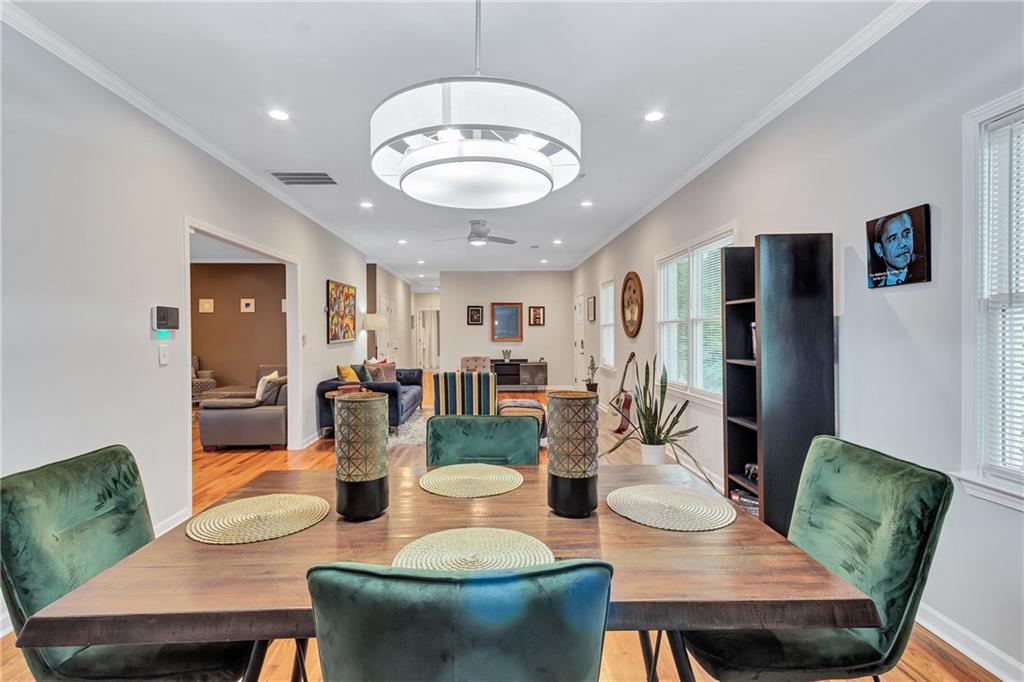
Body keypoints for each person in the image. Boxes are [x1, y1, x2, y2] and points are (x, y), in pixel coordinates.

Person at [869, 211, 927, 287]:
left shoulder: (924, 268)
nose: (902, 244)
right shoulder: (879, 285)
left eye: (906, 233)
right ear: (879, 249)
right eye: (893, 238)